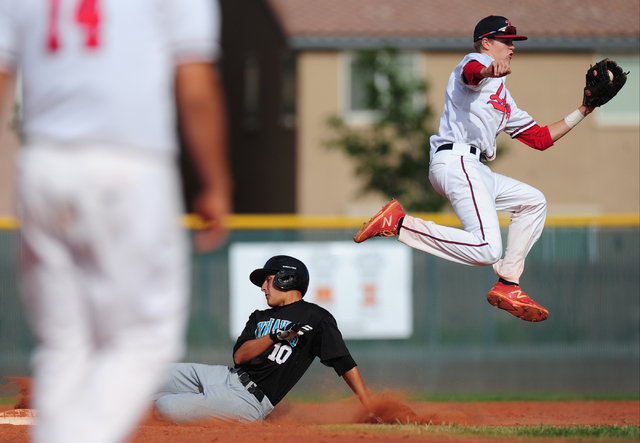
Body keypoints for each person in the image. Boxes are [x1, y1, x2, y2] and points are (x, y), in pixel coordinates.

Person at [0, 1, 232, 443]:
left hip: (42, 167)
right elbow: (196, 84)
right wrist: (216, 183)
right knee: (144, 341)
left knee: (63, 342)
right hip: (129, 164)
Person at [354, 15, 595, 323]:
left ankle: (508, 282)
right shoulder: (473, 64)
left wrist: (585, 110)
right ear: (486, 43)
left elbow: (540, 139)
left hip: (475, 168)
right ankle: (399, 224)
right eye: (506, 42)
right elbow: (472, 73)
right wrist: (486, 68)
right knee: (486, 250)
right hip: (456, 160)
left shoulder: (504, 99)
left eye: (513, 43)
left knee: (533, 201)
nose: (511, 48)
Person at [152, 255, 376, 424]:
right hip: (226, 376)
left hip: (248, 402)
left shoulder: (316, 318)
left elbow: (344, 363)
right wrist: (275, 336)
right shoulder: (259, 317)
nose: (263, 288)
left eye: (268, 281)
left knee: (166, 406)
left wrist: (371, 408)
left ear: (287, 279)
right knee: (152, 375)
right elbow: (240, 356)